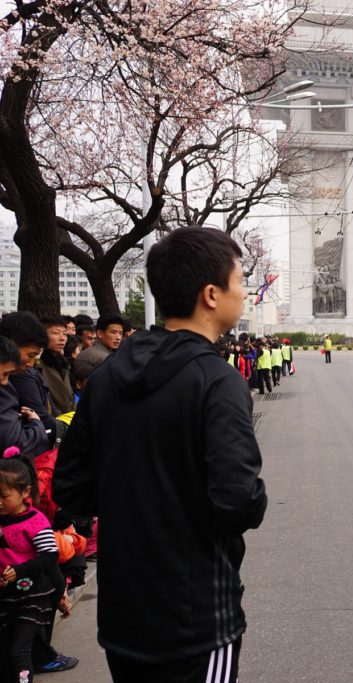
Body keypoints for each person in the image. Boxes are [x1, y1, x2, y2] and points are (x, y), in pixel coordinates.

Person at [54, 227, 267, 683]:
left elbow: (70, 488)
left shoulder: (107, 377)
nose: (245, 292)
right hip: (197, 615)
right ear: (211, 294)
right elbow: (239, 501)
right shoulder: (217, 380)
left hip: (123, 612)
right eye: (240, 281)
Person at [0, 451, 75, 683]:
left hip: (32, 597)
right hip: (4, 596)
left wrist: (59, 591)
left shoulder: (35, 521)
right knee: (4, 654)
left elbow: (49, 556)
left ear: (24, 493)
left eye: (4, 496)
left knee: (20, 651)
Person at [0, 312, 58, 448]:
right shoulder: (9, 383)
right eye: (30, 355)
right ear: (11, 344)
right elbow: (15, 442)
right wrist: (37, 426)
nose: (31, 364)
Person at [38, 316, 75, 416]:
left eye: (64, 334)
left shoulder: (63, 363)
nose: (62, 338)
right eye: (56, 333)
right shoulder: (36, 365)